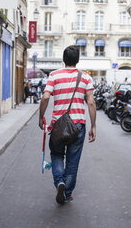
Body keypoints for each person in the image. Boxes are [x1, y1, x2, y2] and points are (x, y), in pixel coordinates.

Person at [39, 45, 96, 204]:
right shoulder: (85, 77)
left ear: (64, 59)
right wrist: (93, 126)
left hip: (58, 125)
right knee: (72, 161)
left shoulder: (54, 75)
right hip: (78, 126)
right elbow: (91, 103)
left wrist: (40, 117)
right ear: (77, 60)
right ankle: (67, 193)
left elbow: (45, 98)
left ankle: (60, 182)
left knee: (57, 155)